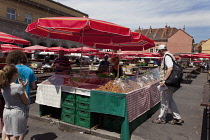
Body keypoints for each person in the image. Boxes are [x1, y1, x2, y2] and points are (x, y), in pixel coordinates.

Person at [152, 44, 184, 125]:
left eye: (159, 51)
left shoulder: (167, 56)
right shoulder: (170, 55)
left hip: (168, 82)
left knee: (164, 100)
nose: (159, 53)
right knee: (170, 100)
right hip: (172, 82)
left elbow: (170, 68)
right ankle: (177, 117)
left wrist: (164, 80)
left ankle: (161, 118)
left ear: (161, 50)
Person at [0, 64, 29, 140]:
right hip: (17, 112)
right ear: (14, 74)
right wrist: (24, 88)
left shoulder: (3, 86)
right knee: (16, 136)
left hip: (6, 111)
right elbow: (26, 101)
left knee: (9, 134)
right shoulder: (18, 87)